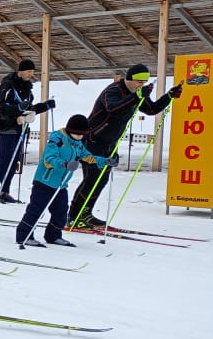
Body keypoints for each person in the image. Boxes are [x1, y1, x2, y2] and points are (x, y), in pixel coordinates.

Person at [67, 64, 181, 228]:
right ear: (129, 79)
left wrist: (169, 96)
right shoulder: (113, 90)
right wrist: (136, 97)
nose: (140, 85)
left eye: (143, 82)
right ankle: (74, 216)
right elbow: (112, 109)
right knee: (91, 179)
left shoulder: (136, 93)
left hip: (110, 143)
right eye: (138, 82)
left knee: (101, 180)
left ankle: (86, 213)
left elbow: (151, 109)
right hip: (92, 140)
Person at [15, 115, 109, 247]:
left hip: (61, 185)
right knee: (36, 210)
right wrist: (64, 164)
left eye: (83, 135)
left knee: (61, 212)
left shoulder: (77, 144)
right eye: (78, 134)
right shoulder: (57, 139)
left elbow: (87, 157)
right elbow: (49, 158)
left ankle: (53, 236)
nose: (80, 137)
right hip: (44, 182)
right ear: (70, 130)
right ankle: (24, 235)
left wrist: (105, 161)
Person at [0, 59, 55, 204]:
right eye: (28, 71)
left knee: (14, 161)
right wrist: (19, 109)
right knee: (5, 161)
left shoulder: (27, 88)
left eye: (32, 72)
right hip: (7, 127)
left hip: (20, 129)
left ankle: (4, 191)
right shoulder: (8, 85)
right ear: (20, 71)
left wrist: (45, 106)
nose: (31, 74)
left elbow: (29, 108)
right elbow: (3, 108)